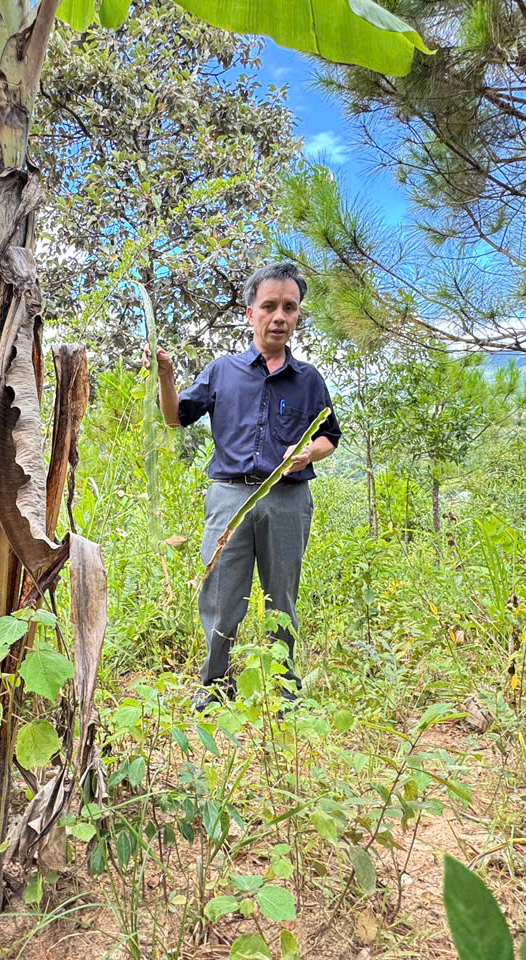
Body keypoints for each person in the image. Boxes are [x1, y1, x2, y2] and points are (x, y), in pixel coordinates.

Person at [150, 262, 340, 712]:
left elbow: (329, 436)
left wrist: (308, 453)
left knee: (282, 596)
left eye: (289, 308)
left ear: (297, 315)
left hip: (287, 498)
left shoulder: (309, 379)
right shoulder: (222, 371)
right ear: (250, 312)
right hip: (229, 497)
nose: (279, 317)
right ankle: (215, 684)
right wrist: (165, 374)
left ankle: (285, 688)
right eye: (269, 306)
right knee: (219, 594)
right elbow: (175, 417)